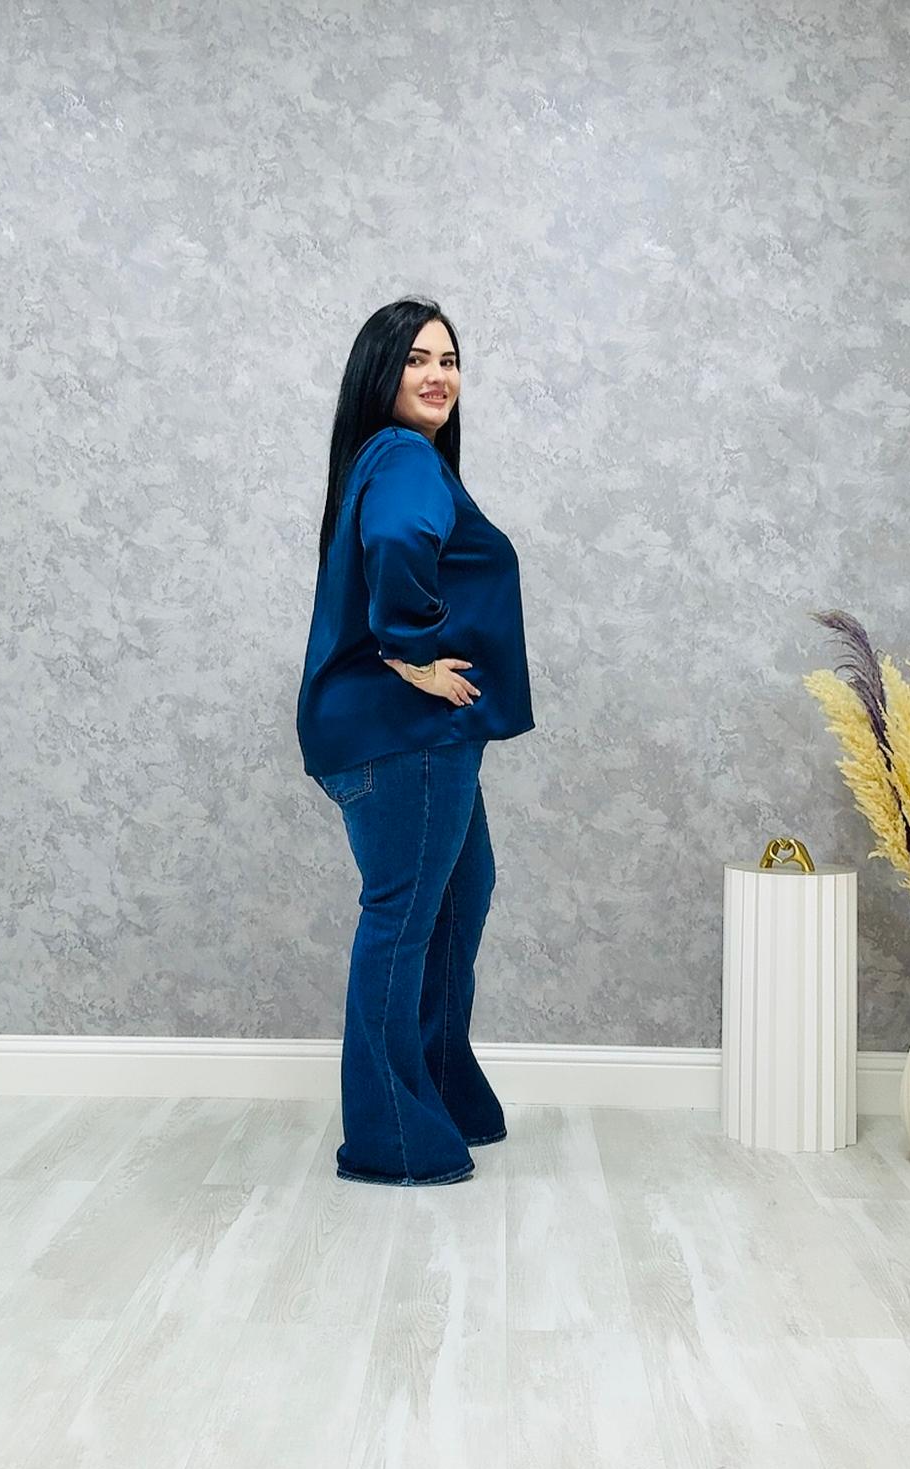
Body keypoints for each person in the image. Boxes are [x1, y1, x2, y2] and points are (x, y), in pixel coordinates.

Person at [296, 297, 535, 1186]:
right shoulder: (401, 456)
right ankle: (392, 1137)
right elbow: (399, 539)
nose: (437, 375)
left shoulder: (394, 456)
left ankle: (441, 1092)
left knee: (461, 896)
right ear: (379, 373)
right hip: (405, 736)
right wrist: (412, 653)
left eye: (448, 359)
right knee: (402, 920)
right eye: (415, 360)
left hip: (422, 737)